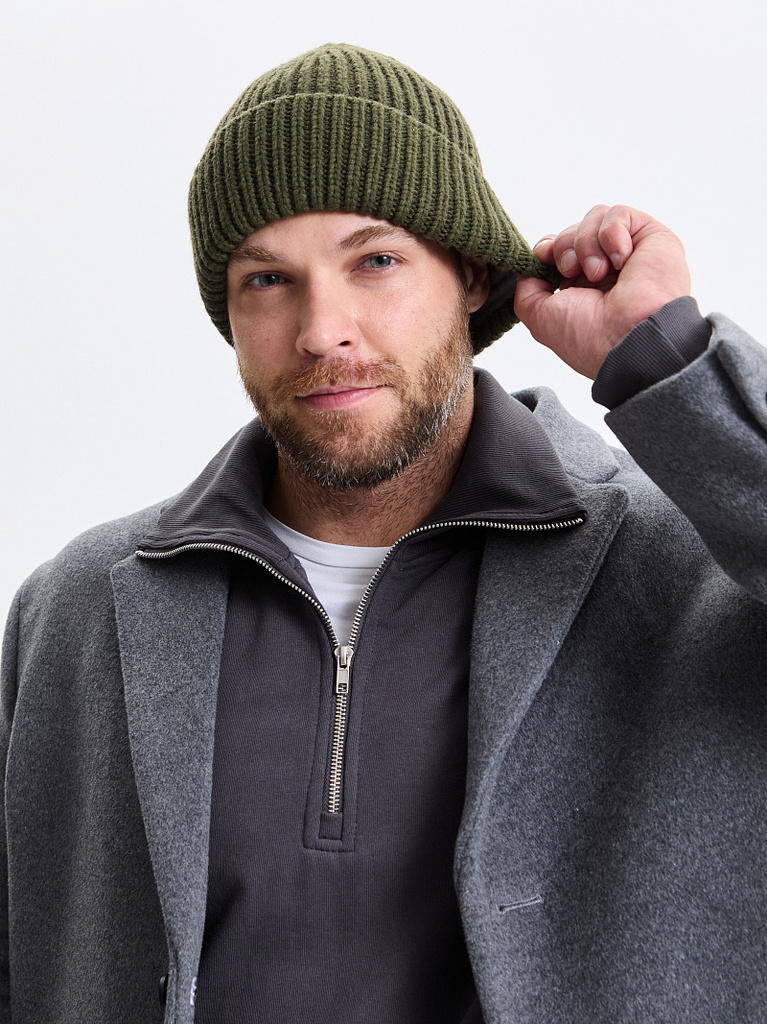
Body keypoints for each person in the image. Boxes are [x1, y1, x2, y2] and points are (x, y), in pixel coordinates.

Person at [2, 42, 766, 1024]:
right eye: (266, 279)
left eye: (375, 261)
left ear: (472, 276)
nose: (321, 329)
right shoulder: (75, 610)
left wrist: (665, 361)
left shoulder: (694, 576)